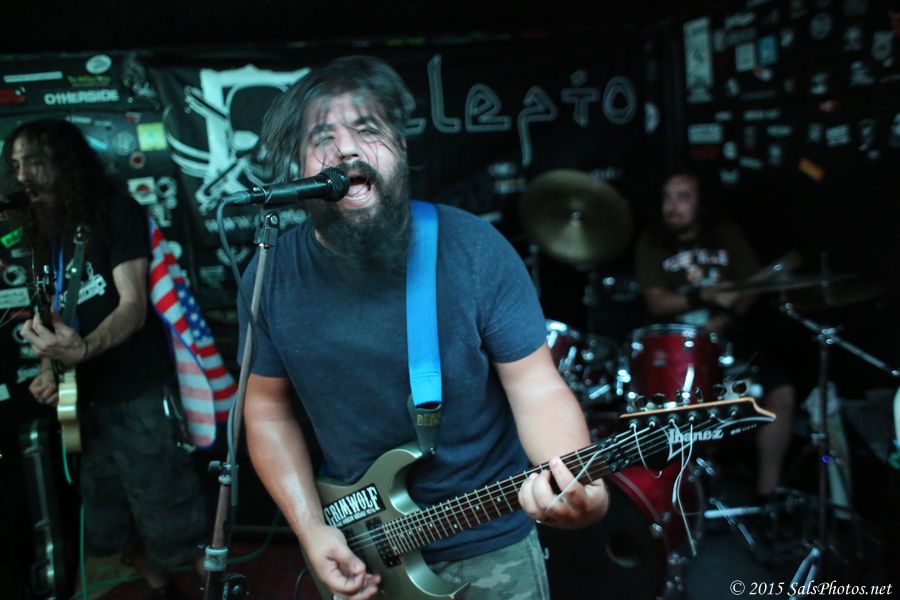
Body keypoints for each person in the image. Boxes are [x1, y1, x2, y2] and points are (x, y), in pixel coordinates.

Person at [239, 55, 609, 600]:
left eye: (367, 130)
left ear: (401, 148)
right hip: (363, 546)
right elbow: (267, 411)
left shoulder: (473, 249)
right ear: (298, 165)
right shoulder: (271, 273)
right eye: (322, 138)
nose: (346, 150)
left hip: (489, 541)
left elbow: (535, 386)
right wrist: (312, 529)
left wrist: (573, 480)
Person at [5, 119, 209, 600]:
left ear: (65, 163)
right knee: (109, 526)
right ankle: (164, 592)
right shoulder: (43, 231)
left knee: (177, 521)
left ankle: (213, 590)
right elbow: (57, 316)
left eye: (34, 162)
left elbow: (133, 307)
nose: (23, 176)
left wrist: (84, 349)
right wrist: (50, 367)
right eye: (15, 165)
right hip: (88, 404)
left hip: (139, 394)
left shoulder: (116, 210)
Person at [634, 172, 795, 501]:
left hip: (731, 342)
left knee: (781, 395)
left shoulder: (725, 235)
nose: (672, 206)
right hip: (677, 349)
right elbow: (656, 302)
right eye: (667, 197)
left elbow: (753, 286)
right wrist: (703, 296)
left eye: (683, 197)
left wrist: (724, 319)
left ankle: (768, 497)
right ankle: (670, 499)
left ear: (701, 203)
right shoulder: (651, 242)